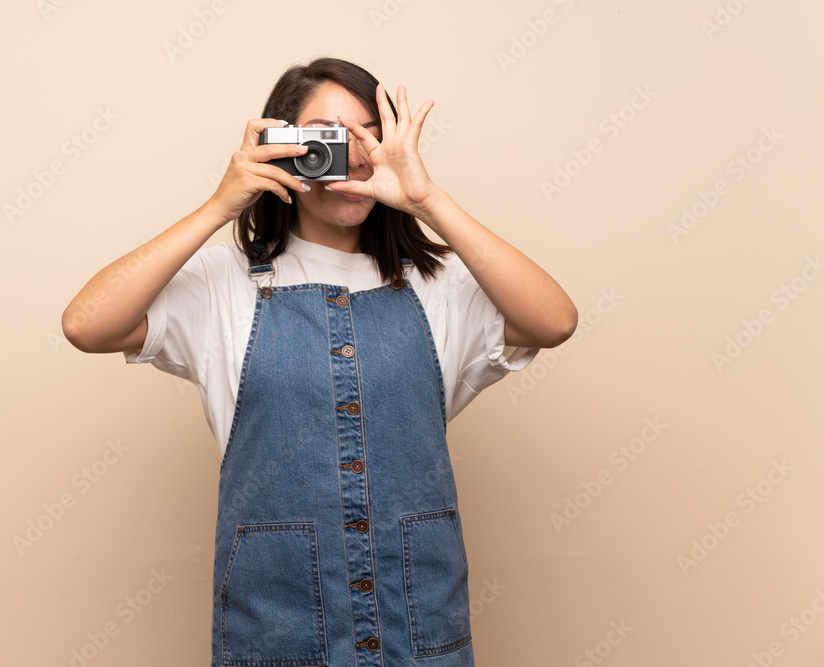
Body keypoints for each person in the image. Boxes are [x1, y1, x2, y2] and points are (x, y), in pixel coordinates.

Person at [62, 57, 577, 667]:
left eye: (367, 133)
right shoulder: (223, 283)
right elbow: (85, 325)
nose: (352, 154)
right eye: (325, 136)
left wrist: (428, 200)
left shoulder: (439, 285)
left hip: (415, 621)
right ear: (279, 147)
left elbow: (555, 320)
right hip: (276, 627)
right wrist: (217, 208)